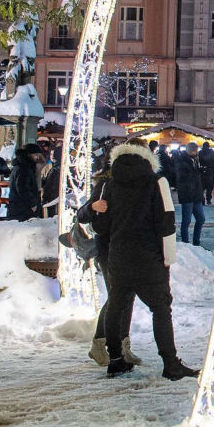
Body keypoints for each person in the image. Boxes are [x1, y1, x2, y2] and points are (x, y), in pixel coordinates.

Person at [90, 140, 198, 380]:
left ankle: (116, 359)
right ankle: (170, 363)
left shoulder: (109, 184)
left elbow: (100, 226)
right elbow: (166, 223)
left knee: (116, 306)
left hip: (119, 257)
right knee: (160, 309)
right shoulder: (157, 183)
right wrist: (168, 257)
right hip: (149, 258)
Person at [83, 156, 142, 368]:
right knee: (117, 296)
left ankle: (123, 346)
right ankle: (100, 344)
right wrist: (93, 208)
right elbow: (82, 214)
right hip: (108, 249)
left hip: (130, 247)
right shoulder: (105, 184)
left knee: (127, 296)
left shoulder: (140, 183)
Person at [174, 142, 206, 246]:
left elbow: (196, 179)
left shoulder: (196, 160)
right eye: (195, 151)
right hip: (187, 195)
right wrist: (197, 172)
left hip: (196, 195)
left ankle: (196, 242)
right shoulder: (181, 161)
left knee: (201, 219)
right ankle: (185, 243)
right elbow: (183, 178)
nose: (197, 152)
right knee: (186, 221)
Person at [7, 143, 44, 221]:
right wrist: (32, 204)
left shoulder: (21, 166)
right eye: (35, 155)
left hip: (18, 206)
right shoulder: (24, 168)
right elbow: (22, 188)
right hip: (22, 207)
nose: (37, 157)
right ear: (29, 155)